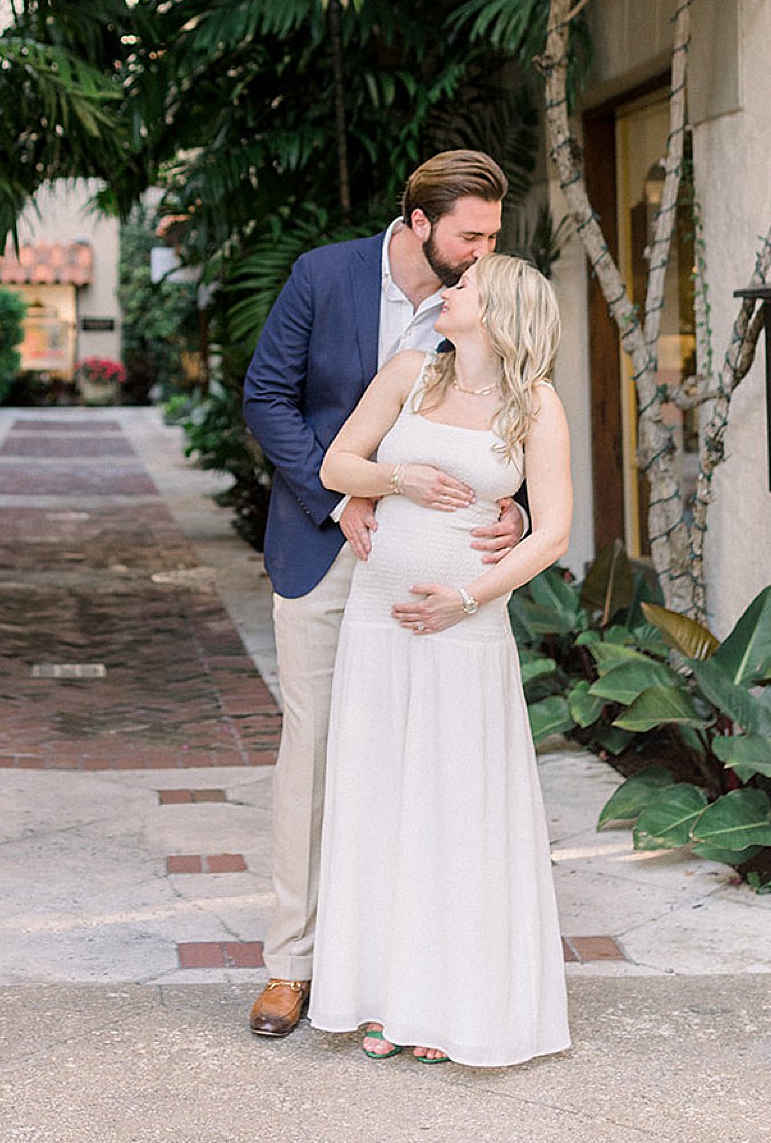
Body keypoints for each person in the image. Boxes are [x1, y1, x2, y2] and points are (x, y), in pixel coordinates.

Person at [242, 151, 526, 1040]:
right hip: (328, 552)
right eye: (469, 234)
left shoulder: (487, 299)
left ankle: (399, 966)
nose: (483, 251)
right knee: (318, 751)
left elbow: (514, 414)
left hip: (445, 572)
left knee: (425, 761)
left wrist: (512, 504)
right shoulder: (323, 275)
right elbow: (267, 397)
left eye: (491, 234)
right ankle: (292, 967)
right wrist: (345, 492)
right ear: (418, 224)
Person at [307, 251, 572, 1068]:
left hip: (462, 633)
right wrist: (403, 478)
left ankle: (449, 1005)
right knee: (381, 800)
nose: (445, 292)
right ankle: (384, 998)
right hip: (377, 628)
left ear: (497, 314)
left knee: (453, 808)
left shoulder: (535, 406)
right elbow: (335, 466)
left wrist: (468, 597)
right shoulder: (411, 373)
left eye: (461, 288)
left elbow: (553, 530)